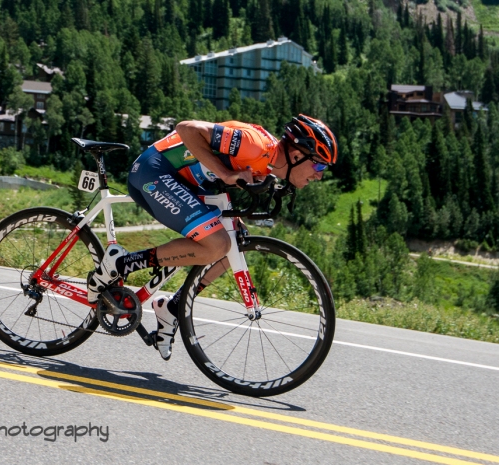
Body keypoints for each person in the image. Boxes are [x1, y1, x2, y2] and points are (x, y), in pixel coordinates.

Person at [88, 115, 338, 360]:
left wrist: (228, 183)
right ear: (296, 155)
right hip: (155, 172)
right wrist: (226, 175)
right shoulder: (254, 145)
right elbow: (186, 129)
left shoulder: (269, 163)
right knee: (217, 244)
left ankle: (173, 308)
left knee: (234, 240)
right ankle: (121, 263)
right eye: (318, 165)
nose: (319, 175)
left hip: (185, 182)